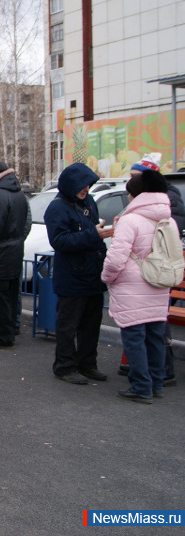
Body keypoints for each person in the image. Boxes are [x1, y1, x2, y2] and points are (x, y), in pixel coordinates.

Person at [102, 170, 172, 403]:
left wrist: (107, 278)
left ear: (135, 194)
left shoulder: (130, 220)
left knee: (134, 337)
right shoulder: (167, 218)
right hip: (159, 284)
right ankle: (156, 383)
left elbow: (115, 258)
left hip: (133, 287)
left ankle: (141, 386)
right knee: (155, 337)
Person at [44, 163, 114, 386]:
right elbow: (60, 242)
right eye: (82, 186)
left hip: (93, 274)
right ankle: (64, 366)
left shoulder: (88, 202)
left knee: (92, 324)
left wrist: (97, 232)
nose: (86, 189)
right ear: (70, 184)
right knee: (68, 325)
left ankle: (87, 364)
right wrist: (95, 235)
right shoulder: (57, 208)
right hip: (72, 277)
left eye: (88, 185)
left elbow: (90, 230)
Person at [0, 160, 32, 349]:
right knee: (10, 295)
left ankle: (1, 335)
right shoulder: (19, 194)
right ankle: (7, 330)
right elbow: (27, 223)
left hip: (1, 253)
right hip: (15, 251)